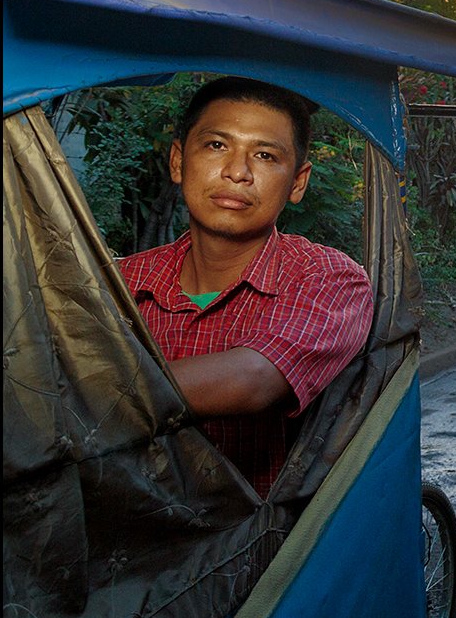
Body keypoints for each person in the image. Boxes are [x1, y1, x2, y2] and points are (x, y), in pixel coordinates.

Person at [117, 76, 375, 497]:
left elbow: (255, 379)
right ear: (179, 161)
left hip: (252, 540)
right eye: (217, 145)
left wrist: (86, 392)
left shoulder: (327, 277)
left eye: (265, 155)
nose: (237, 172)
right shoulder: (124, 281)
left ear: (297, 182)